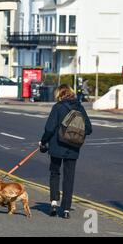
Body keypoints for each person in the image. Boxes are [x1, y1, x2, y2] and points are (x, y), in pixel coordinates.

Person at [39, 85, 92, 219]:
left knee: (54, 173)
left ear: (59, 94)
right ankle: (66, 209)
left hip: (57, 146)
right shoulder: (79, 107)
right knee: (69, 178)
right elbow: (89, 129)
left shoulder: (57, 107)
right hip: (73, 147)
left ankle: (54, 203)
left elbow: (50, 128)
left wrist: (43, 141)